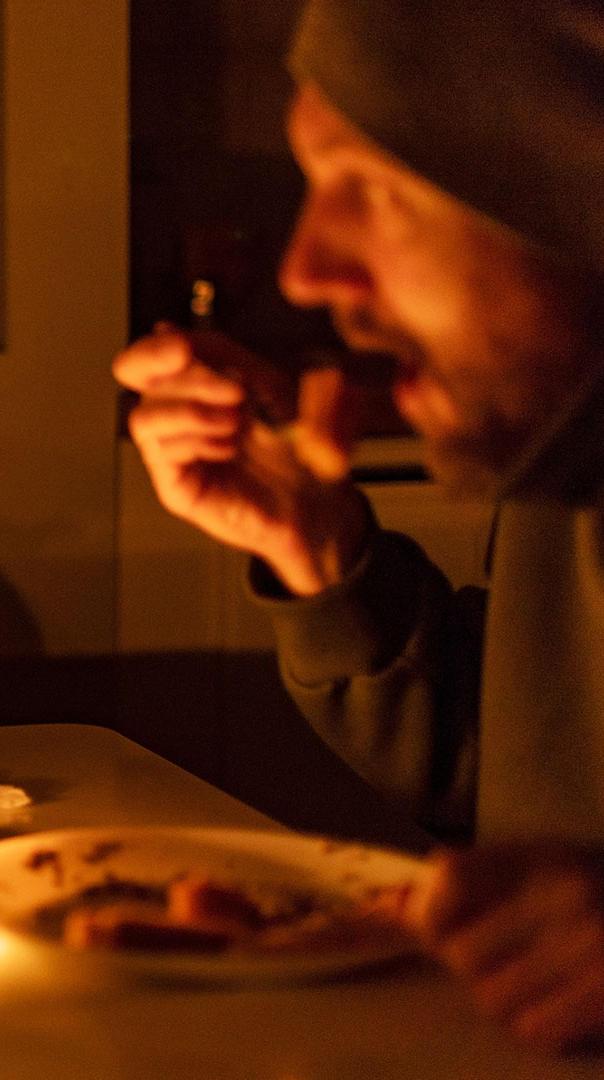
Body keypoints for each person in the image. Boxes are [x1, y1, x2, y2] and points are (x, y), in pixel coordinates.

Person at [115, 0, 604, 1054]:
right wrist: (325, 554)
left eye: (374, 188)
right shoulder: (566, 454)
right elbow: (530, 768)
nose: (303, 272)